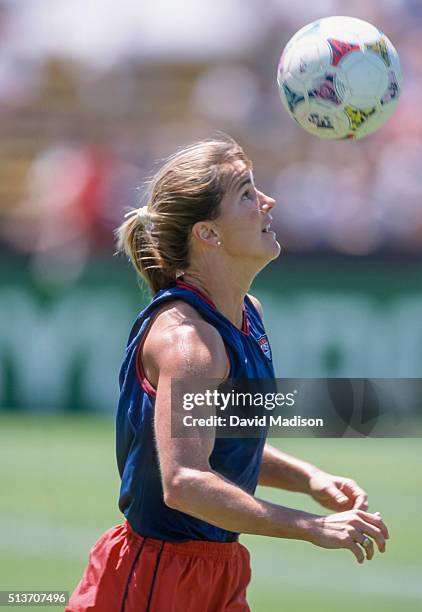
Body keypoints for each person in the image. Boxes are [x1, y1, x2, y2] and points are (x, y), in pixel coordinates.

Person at [66, 135, 389, 612]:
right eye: (246, 194)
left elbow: (224, 438)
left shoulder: (247, 314)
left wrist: (310, 478)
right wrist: (311, 526)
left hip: (220, 570)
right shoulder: (188, 342)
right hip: (155, 579)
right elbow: (185, 482)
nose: (267, 201)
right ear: (208, 234)